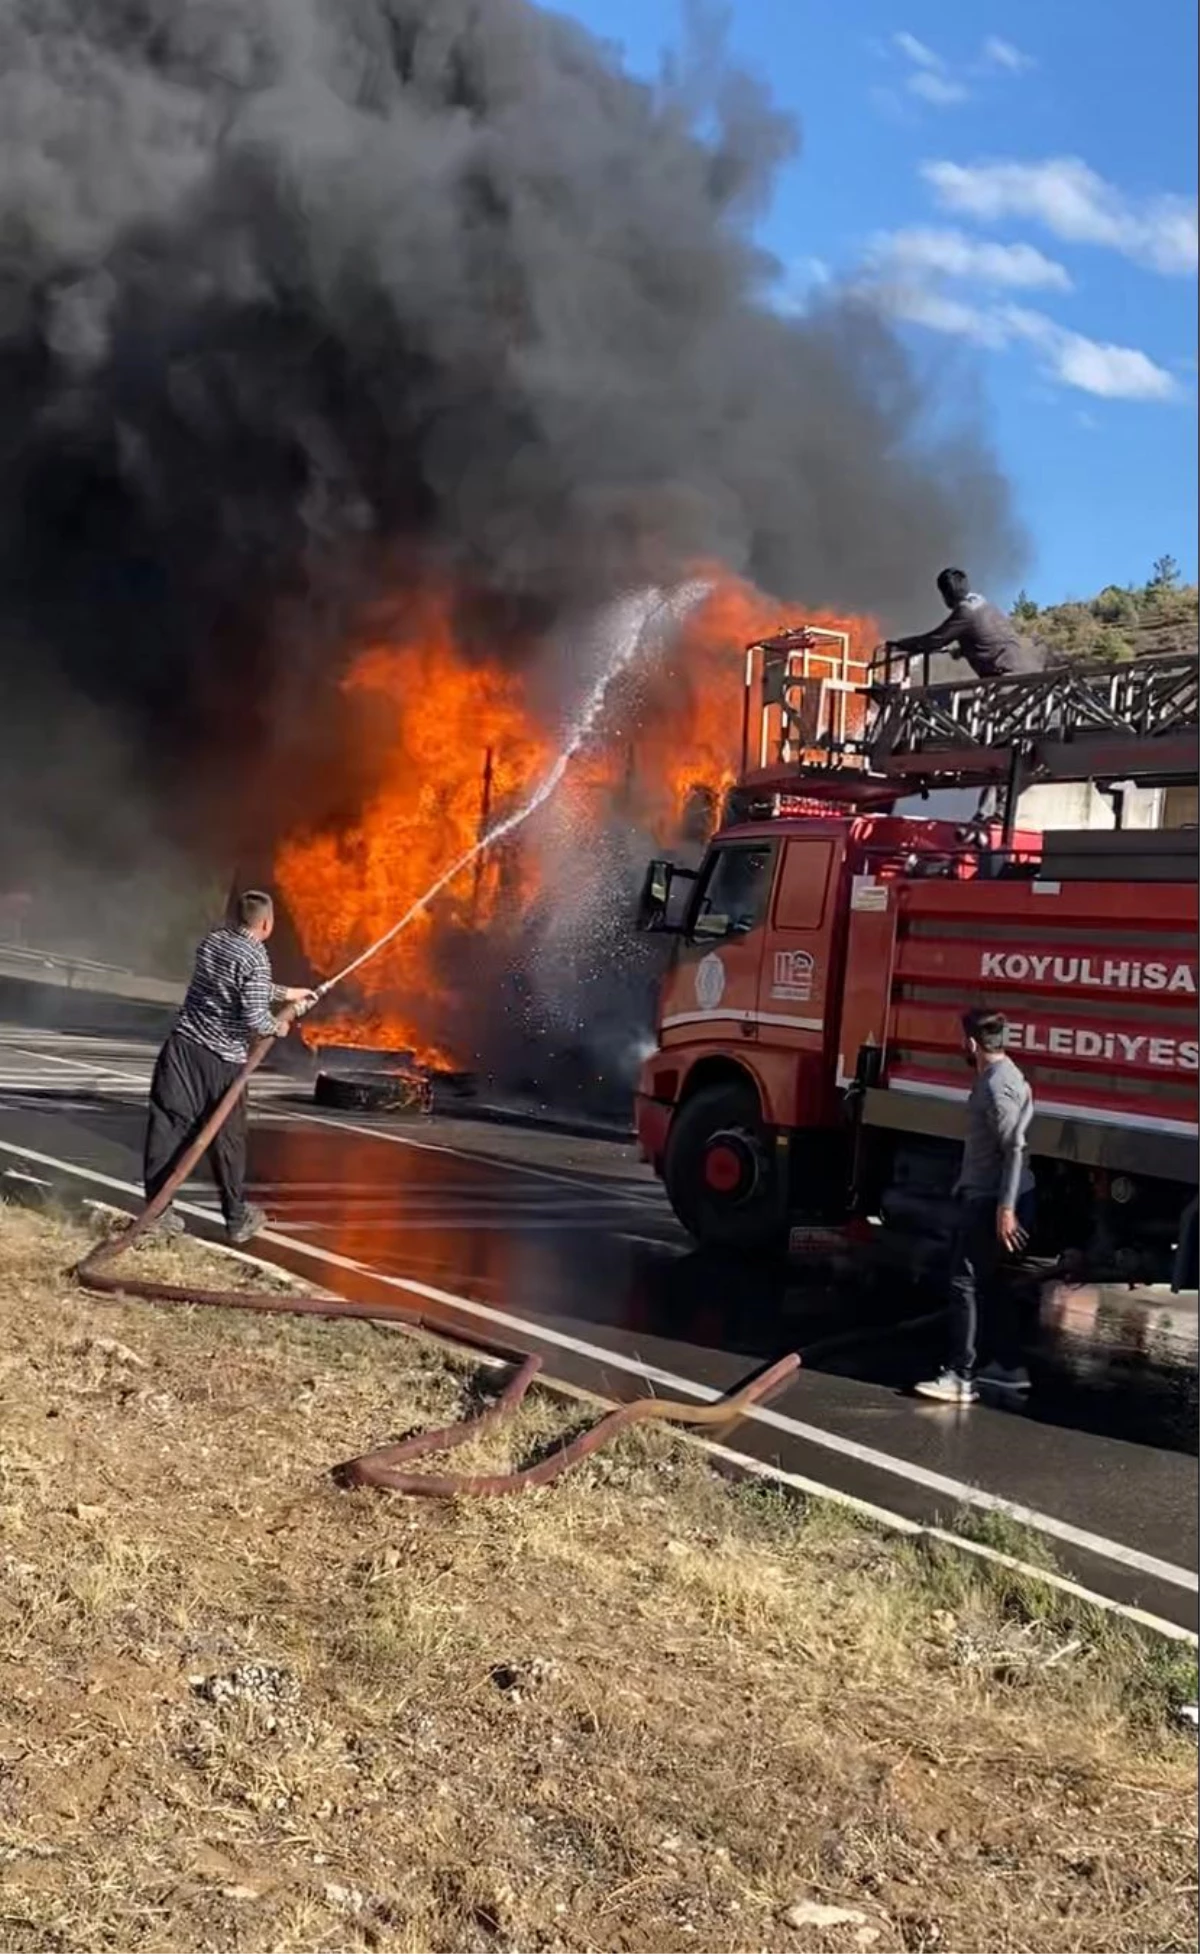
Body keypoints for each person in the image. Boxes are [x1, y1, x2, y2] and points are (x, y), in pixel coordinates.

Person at [143, 891, 315, 1245]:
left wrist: (287, 993)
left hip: (182, 1048)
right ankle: (236, 1218)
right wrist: (281, 1024)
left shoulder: (215, 939)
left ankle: (156, 1213)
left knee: (168, 1128)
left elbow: (237, 982)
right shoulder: (257, 956)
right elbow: (254, 1015)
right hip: (222, 1063)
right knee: (228, 1141)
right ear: (266, 923)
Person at [915, 1009, 1036, 1406]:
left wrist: (1005, 1208)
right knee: (991, 1282)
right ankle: (1009, 1367)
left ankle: (961, 1377)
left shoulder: (997, 1086)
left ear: (971, 1044)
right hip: (986, 1192)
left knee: (963, 1282)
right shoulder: (1001, 1076)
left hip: (993, 1200)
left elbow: (1014, 1148)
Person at [890, 568, 1046, 681]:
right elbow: (991, 640)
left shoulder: (966, 612)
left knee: (960, 717)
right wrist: (963, 650)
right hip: (1024, 673)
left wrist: (900, 645)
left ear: (946, 594)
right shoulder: (985, 604)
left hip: (1005, 680)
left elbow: (934, 641)